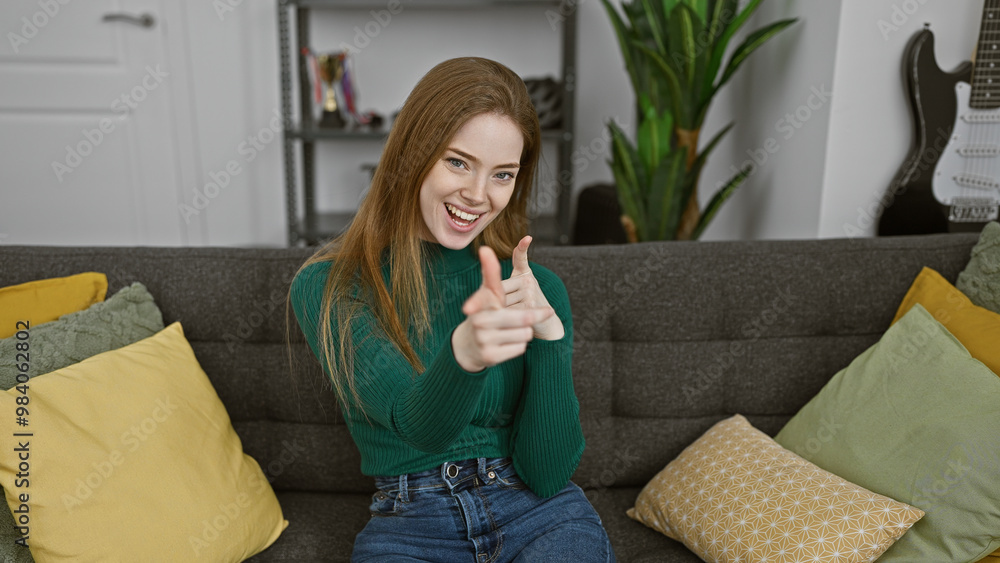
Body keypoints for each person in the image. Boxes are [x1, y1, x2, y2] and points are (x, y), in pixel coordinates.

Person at [288, 56, 616, 562]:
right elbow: (416, 424)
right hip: (409, 523)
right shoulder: (329, 286)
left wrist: (550, 339)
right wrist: (464, 355)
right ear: (414, 152)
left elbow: (548, 473)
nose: (478, 196)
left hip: (540, 516)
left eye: (502, 174)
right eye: (458, 161)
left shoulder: (535, 287)